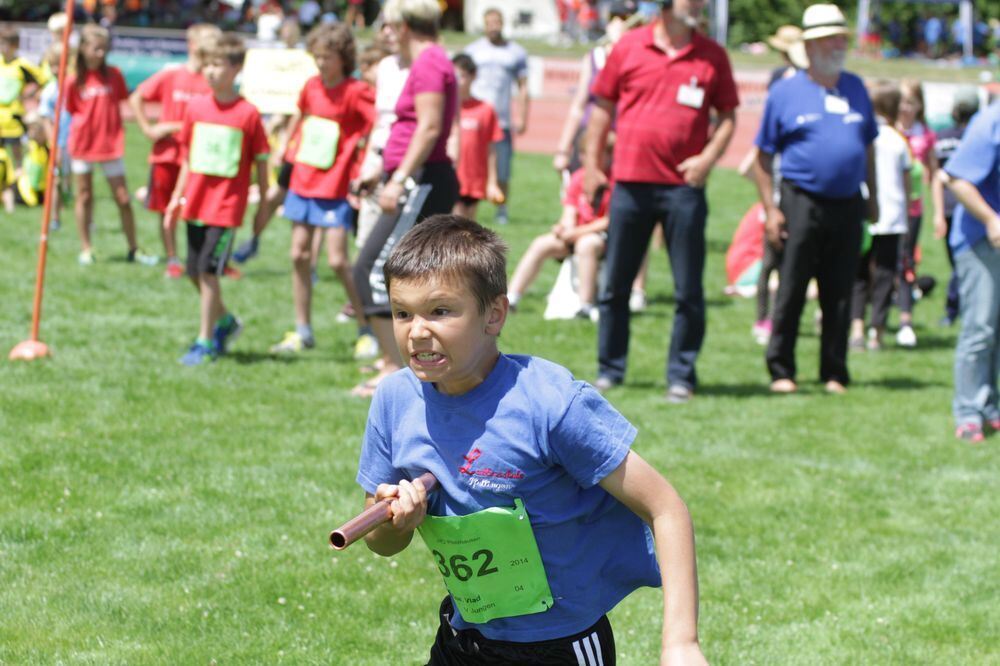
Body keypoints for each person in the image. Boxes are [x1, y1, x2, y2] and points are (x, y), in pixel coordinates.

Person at [355, 214, 707, 666]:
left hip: (559, 647)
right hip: (464, 639)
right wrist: (393, 524)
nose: (417, 330)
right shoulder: (394, 399)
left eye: (441, 311)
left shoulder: (550, 403)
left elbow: (665, 507)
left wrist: (681, 643)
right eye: (403, 312)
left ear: (494, 314)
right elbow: (379, 541)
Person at [584, 0, 739, 403]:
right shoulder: (629, 46)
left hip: (683, 191)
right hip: (630, 186)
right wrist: (590, 167)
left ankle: (682, 376)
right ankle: (610, 369)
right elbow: (601, 110)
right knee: (616, 283)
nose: (701, 5)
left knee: (688, 288)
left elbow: (728, 117)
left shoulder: (712, 55)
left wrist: (707, 159)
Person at [753, 4, 878, 395]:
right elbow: (762, 155)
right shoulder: (786, 92)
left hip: (848, 202)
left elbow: (867, 147)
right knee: (791, 285)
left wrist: (871, 195)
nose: (838, 44)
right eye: (829, 38)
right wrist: (771, 208)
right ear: (810, 45)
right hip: (799, 200)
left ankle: (835, 370)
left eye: (841, 37)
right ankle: (781, 368)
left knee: (839, 288)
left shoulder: (856, 88)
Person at [350, 0, 459, 398]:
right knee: (396, 273)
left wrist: (397, 178)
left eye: (390, 25)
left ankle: (396, 368)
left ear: (406, 25)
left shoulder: (429, 62)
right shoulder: (428, 62)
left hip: (421, 181)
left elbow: (428, 128)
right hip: (414, 178)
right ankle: (396, 364)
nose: (385, 33)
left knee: (376, 269)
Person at [268, 23, 376, 356]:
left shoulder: (356, 90)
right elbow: (299, 117)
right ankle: (303, 330)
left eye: (327, 57)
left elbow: (375, 126)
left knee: (338, 260)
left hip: (336, 183)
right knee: (298, 254)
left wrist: (363, 163)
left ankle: (365, 328)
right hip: (304, 177)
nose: (321, 63)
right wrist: (285, 145)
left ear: (343, 58)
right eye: (316, 56)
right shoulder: (311, 86)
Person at [164, 34, 270, 366]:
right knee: (194, 272)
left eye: (218, 64)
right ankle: (225, 321)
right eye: (206, 64)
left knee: (209, 274)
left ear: (236, 68)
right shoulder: (195, 108)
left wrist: (262, 208)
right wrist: (176, 197)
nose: (210, 71)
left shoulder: (248, 114)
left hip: (225, 208)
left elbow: (261, 163)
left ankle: (205, 341)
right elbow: (186, 157)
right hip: (194, 203)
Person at [130, 23, 222, 278]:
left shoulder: (212, 80)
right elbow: (136, 97)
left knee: (201, 210)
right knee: (164, 209)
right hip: (167, 155)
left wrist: (172, 125)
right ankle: (172, 257)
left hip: (199, 157)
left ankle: (205, 258)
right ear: (193, 44)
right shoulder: (172, 75)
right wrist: (149, 129)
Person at [66, 25, 155, 266]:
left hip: (109, 144)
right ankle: (86, 248)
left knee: (123, 198)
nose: (101, 54)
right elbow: (72, 109)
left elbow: (122, 102)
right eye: (96, 48)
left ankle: (133, 248)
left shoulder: (114, 75)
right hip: (83, 143)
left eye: (104, 49)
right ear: (83, 49)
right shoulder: (74, 79)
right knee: (84, 195)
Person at [941, 97, 1000, 443]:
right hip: (980, 240)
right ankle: (967, 412)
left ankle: (990, 405)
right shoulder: (990, 122)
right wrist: (991, 219)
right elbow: (956, 178)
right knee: (979, 329)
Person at [507, 140, 614, 320]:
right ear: (581, 156)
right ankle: (512, 298)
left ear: (610, 156)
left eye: (600, 154)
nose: (592, 159)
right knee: (541, 243)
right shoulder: (578, 178)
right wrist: (563, 227)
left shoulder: (613, 181)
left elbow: (609, 221)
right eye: (587, 154)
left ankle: (585, 305)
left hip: (601, 238)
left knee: (586, 245)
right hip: (575, 234)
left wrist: (577, 233)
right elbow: (570, 211)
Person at [849, 82, 911, 352]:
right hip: (892, 215)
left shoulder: (863, 134)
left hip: (863, 212)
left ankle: (856, 328)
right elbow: (908, 181)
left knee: (859, 273)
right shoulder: (898, 140)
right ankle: (878, 331)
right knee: (885, 274)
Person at [463, 7, 529, 225]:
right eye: (489, 22)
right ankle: (469, 205)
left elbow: (523, 87)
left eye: (497, 22)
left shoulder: (516, 52)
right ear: (484, 24)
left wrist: (522, 116)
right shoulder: (473, 50)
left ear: (503, 23)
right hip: (475, 117)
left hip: (502, 119)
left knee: (502, 167)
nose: (494, 26)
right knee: (471, 164)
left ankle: (501, 208)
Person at [894, 79, 938, 348]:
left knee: (907, 261)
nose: (905, 107)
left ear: (919, 105)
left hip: (912, 210)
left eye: (910, 102)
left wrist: (937, 213)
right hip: (885, 208)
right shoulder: (887, 131)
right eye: (901, 101)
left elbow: (934, 175)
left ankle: (905, 320)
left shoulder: (925, 134)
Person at [932, 87, 980, 327]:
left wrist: (938, 211)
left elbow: (937, 176)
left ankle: (955, 309)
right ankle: (957, 308)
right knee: (963, 261)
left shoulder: (942, 136)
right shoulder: (977, 136)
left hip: (952, 206)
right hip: (971, 206)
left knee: (959, 261)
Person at [1, 24, 48, 213]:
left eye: (6, 44)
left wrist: (27, 96)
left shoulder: (22, 65)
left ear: (14, 45)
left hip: (13, 120)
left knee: (17, 159)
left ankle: (19, 192)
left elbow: (42, 80)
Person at [450, 53, 503, 220]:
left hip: (474, 179)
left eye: (462, 76)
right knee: (452, 225)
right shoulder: (446, 108)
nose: (458, 81)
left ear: (473, 77)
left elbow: (491, 149)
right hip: (451, 177)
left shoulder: (485, 109)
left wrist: (492, 182)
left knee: (468, 228)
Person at [37, 41, 73, 230]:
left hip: (75, 140)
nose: (55, 69)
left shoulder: (74, 86)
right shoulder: (50, 91)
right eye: (52, 64)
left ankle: (83, 216)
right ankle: (55, 218)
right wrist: (53, 143)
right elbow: (45, 119)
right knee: (56, 179)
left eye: (59, 63)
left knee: (75, 179)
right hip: (59, 142)